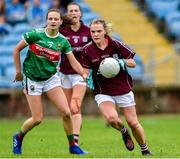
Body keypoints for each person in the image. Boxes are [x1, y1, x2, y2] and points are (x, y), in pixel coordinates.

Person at [12, 8, 88, 155]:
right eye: (50, 19)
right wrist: (18, 72)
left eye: (56, 19)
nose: (53, 21)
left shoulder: (62, 42)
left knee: (67, 112)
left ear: (60, 22)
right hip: (32, 79)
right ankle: (18, 137)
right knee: (37, 119)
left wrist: (84, 75)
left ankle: (73, 146)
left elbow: (74, 63)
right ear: (47, 20)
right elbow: (16, 49)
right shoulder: (35, 34)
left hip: (50, 78)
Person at [82, 19, 152, 156]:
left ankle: (145, 150)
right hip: (103, 91)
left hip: (122, 89)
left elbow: (133, 63)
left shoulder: (115, 44)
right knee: (111, 118)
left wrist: (120, 62)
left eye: (99, 31)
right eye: (92, 32)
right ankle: (124, 131)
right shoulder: (87, 50)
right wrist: (86, 77)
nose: (95, 34)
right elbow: (85, 71)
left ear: (105, 32)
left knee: (133, 122)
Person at [58, 2, 91, 146]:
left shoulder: (89, 31)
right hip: (64, 74)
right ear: (67, 14)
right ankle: (72, 135)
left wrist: (89, 70)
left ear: (81, 13)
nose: (73, 13)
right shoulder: (61, 30)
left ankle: (75, 142)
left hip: (80, 73)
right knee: (67, 111)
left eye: (76, 10)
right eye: (70, 11)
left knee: (75, 106)